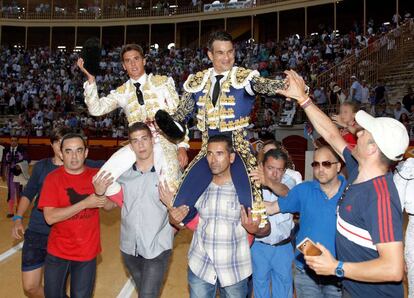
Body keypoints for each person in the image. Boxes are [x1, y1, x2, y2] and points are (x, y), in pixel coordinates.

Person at [276, 70, 408, 297]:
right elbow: (330, 134)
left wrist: (336, 267)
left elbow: (393, 269)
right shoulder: (358, 169)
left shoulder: (381, 196)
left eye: (365, 133)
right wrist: (303, 99)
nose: (357, 133)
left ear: (372, 149)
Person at [163, 30, 308, 225]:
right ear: (210, 55)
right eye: (221, 53)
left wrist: (288, 88)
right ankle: (206, 230)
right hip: (209, 150)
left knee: (252, 209)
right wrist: (165, 122)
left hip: (237, 149)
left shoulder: (244, 77)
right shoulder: (197, 81)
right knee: (179, 203)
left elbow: (265, 85)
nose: (227, 57)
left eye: (230, 52)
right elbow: (181, 115)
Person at [160, 134, 270, 297]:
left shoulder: (247, 188)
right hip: (201, 266)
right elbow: (178, 220)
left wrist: (255, 229)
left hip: (234, 269)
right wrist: (173, 217)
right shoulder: (197, 185)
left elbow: (266, 229)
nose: (213, 159)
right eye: (209, 154)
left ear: (231, 157)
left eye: (219, 154)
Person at [77, 43, 188, 197]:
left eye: (136, 59)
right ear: (123, 66)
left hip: (165, 141)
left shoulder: (163, 83)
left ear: (144, 61)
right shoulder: (122, 92)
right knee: (101, 181)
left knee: (169, 187)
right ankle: (132, 204)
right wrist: (90, 80)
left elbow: (178, 116)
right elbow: (96, 109)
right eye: (128, 61)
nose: (133, 63)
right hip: (137, 144)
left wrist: (182, 146)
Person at [11, 127, 104, 298]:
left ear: (84, 152)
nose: (70, 152)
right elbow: (28, 193)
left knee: (65, 287)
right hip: (39, 231)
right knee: (32, 287)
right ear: (55, 147)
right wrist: (18, 217)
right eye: (59, 142)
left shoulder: (87, 166)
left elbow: (112, 170)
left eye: (76, 148)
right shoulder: (43, 168)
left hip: (71, 238)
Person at [38, 133, 116, 298]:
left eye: (79, 150)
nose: (74, 156)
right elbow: (50, 217)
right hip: (58, 252)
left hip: (86, 252)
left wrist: (101, 194)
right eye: (68, 151)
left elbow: (110, 206)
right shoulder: (52, 179)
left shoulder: (97, 176)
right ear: (61, 154)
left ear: (86, 153)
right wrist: (85, 203)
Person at [263, 146, 346, 297]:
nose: (320, 169)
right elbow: (272, 208)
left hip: (338, 273)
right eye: (316, 164)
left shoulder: (350, 192)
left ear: (338, 166)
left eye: (326, 164)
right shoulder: (303, 190)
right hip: (306, 271)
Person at [114, 122, 174, 297]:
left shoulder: (166, 173)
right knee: (146, 293)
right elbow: (112, 205)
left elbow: (181, 213)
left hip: (157, 248)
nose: (140, 144)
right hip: (129, 247)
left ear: (152, 141)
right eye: (135, 141)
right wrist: (102, 193)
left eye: (144, 139)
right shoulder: (123, 174)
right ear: (130, 146)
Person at [250, 149, 296, 298]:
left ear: (284, 170)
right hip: (258, 246)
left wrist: (267, 182)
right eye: (270, 168)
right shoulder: (251, 183)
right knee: (260, 286)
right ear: (262, 166)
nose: (275, 174)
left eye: (279, 170)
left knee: (284, 288)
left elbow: (287, 193)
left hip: (283, 247)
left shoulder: (289, 180)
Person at [1, 136, 30, 217]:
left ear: (18, 141)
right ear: (10, 141)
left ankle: (19, 210)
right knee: (11, 192)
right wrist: (3, 174)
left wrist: (20, 165)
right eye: (12, 140)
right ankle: (10, 211)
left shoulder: (22, 149)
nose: (13, 142)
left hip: (19, 174)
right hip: (10, 174)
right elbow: (4, 162)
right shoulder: (6, 150)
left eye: (15, 141)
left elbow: (28, 159)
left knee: (19, 192)